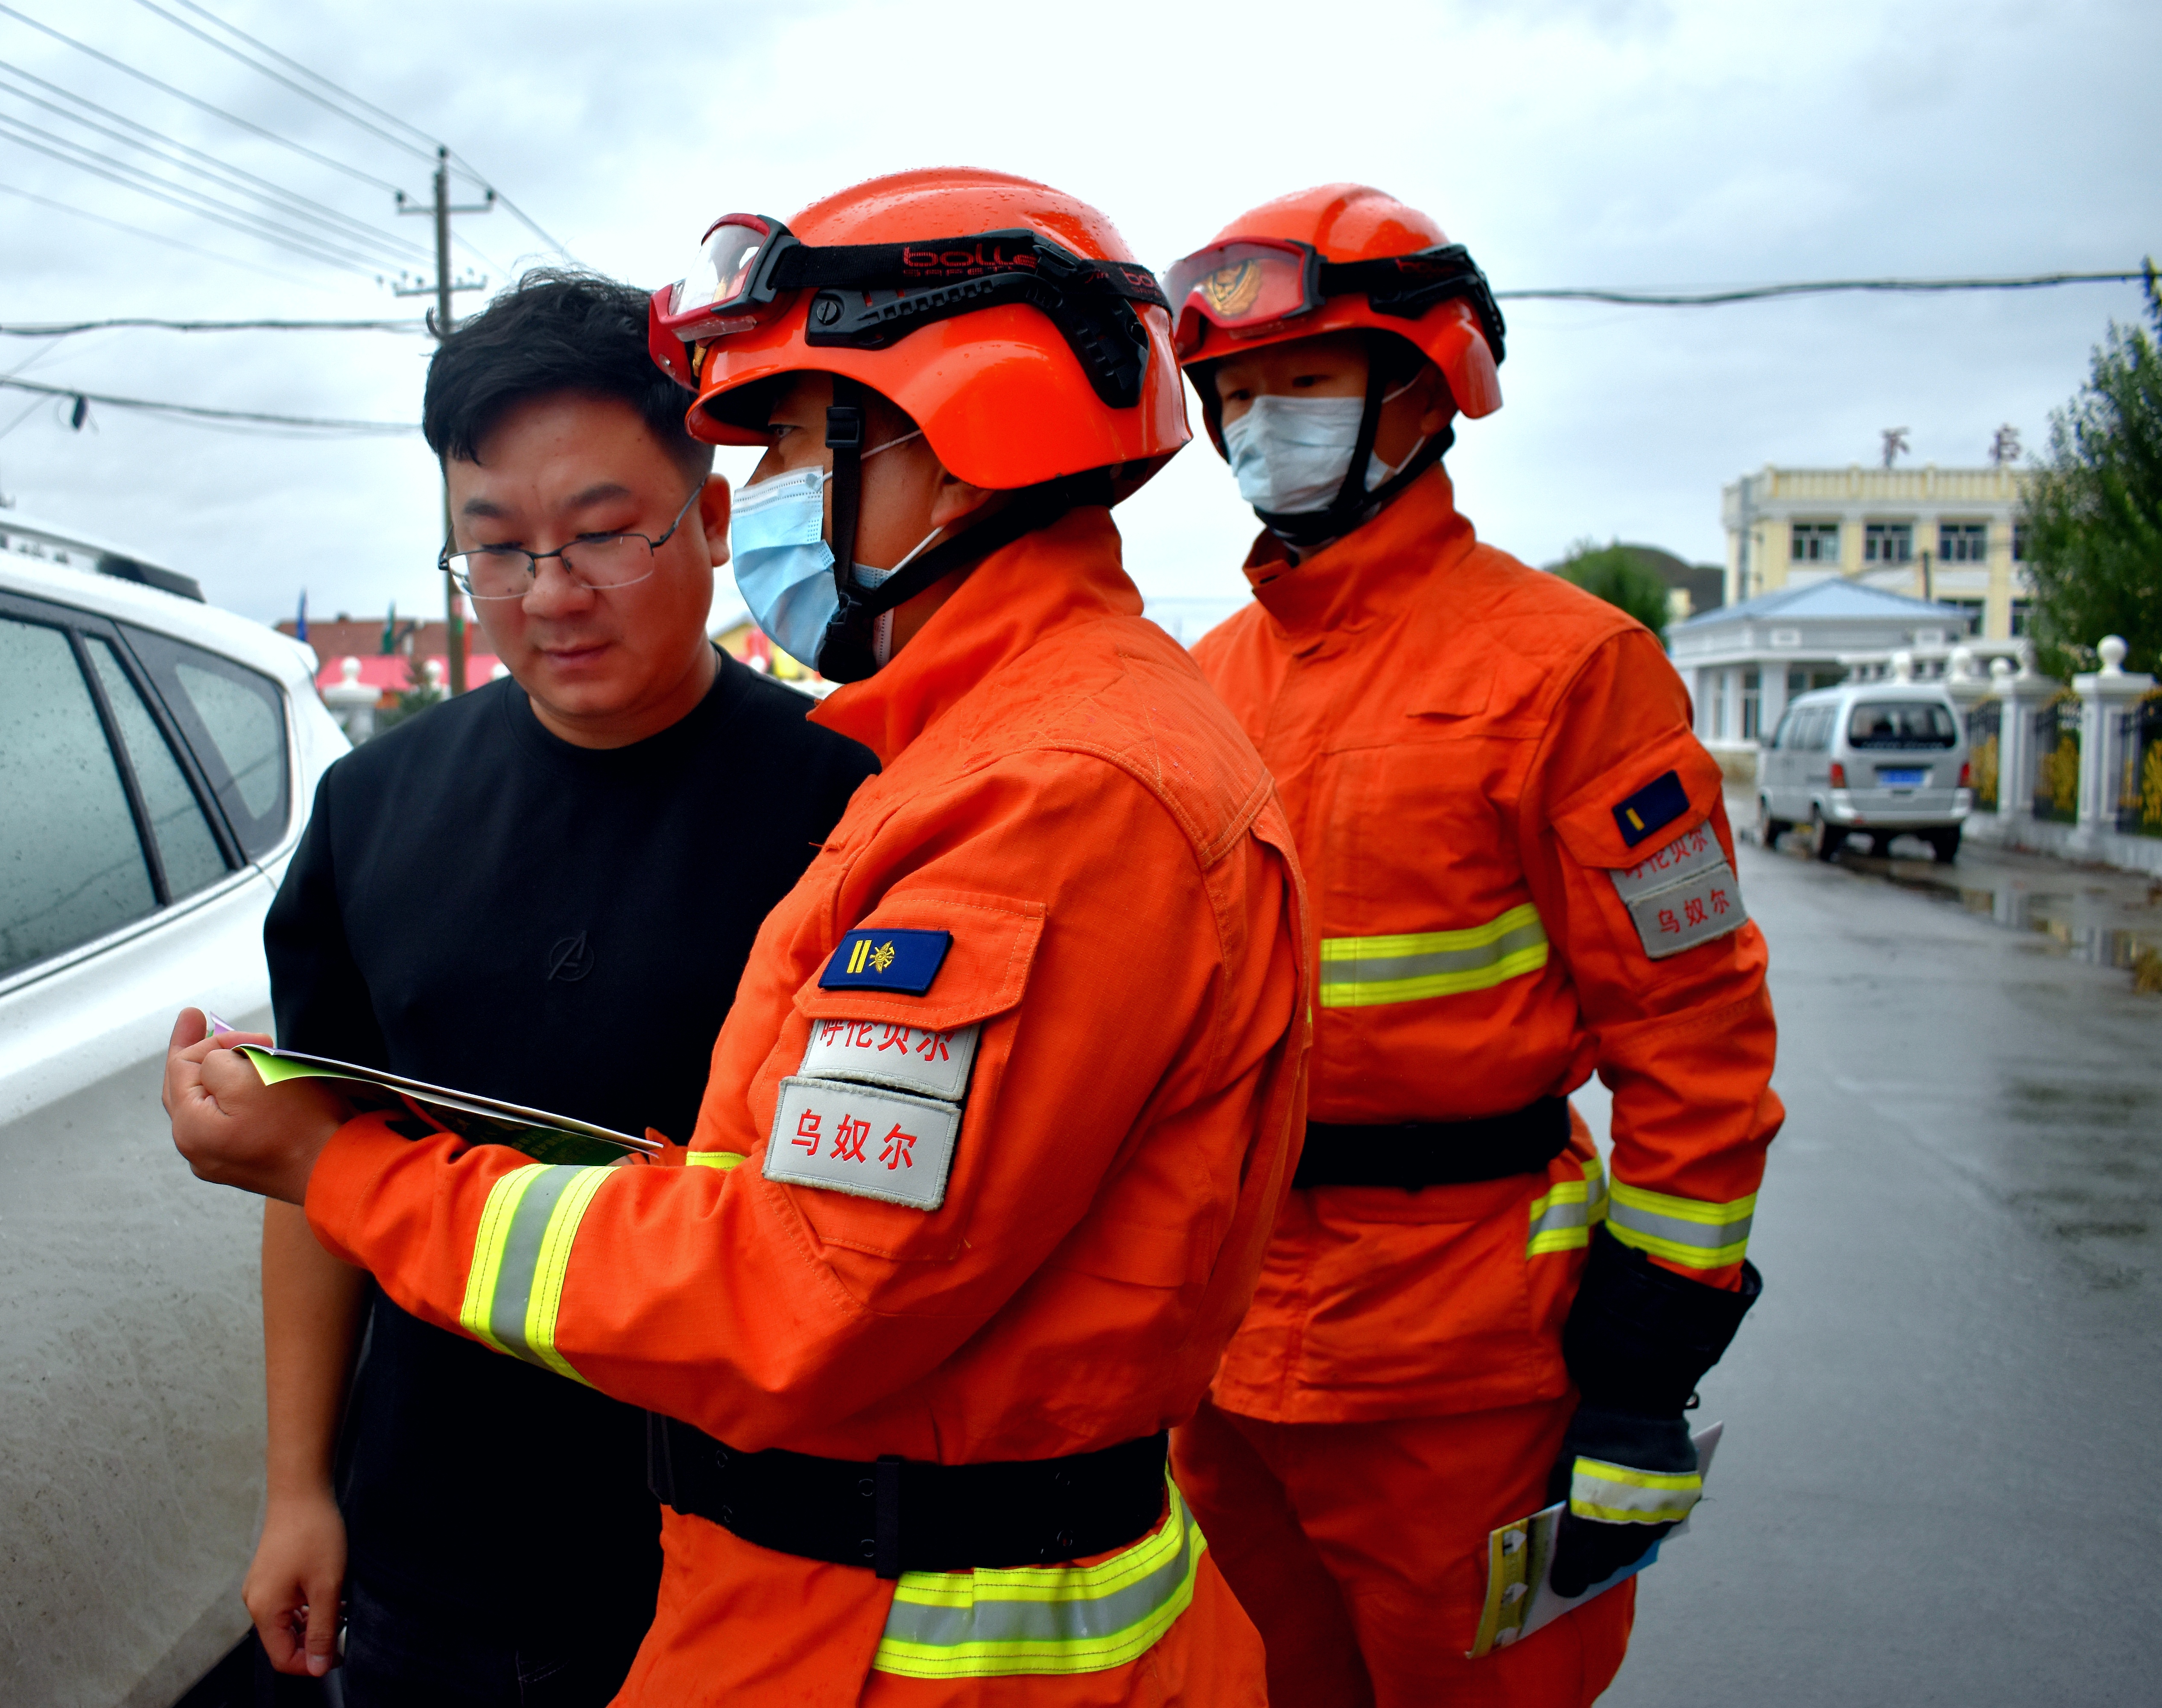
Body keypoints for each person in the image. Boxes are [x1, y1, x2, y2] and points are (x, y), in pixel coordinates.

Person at [169, 167, 1309, 1707]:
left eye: (783, 439)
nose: (767, 487)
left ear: (958, 456)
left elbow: (792, 1286)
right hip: (685, 1576)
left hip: (899, 1628)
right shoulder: (978, 762)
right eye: (495, 549)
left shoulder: (1037, 800)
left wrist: (338, 1167)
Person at [1157, 184, 1780, 1707]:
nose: (1256, 424)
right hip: (1220, 1349)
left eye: (1297, 383)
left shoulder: (1575, 670)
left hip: (1466, 1372)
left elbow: (1696, 1038)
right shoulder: (1198, 680)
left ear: (1423, 392)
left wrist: (1650, 1362)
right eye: (1233, 392)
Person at [237, 269, 879, 1705]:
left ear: (712, 524)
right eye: (499, 549)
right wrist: (298, 1488)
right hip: (430, 1561)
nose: (551, 595)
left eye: (604, 536)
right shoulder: (372, 807)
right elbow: (319, 1170)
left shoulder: (858, 811)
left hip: (753, 1564)